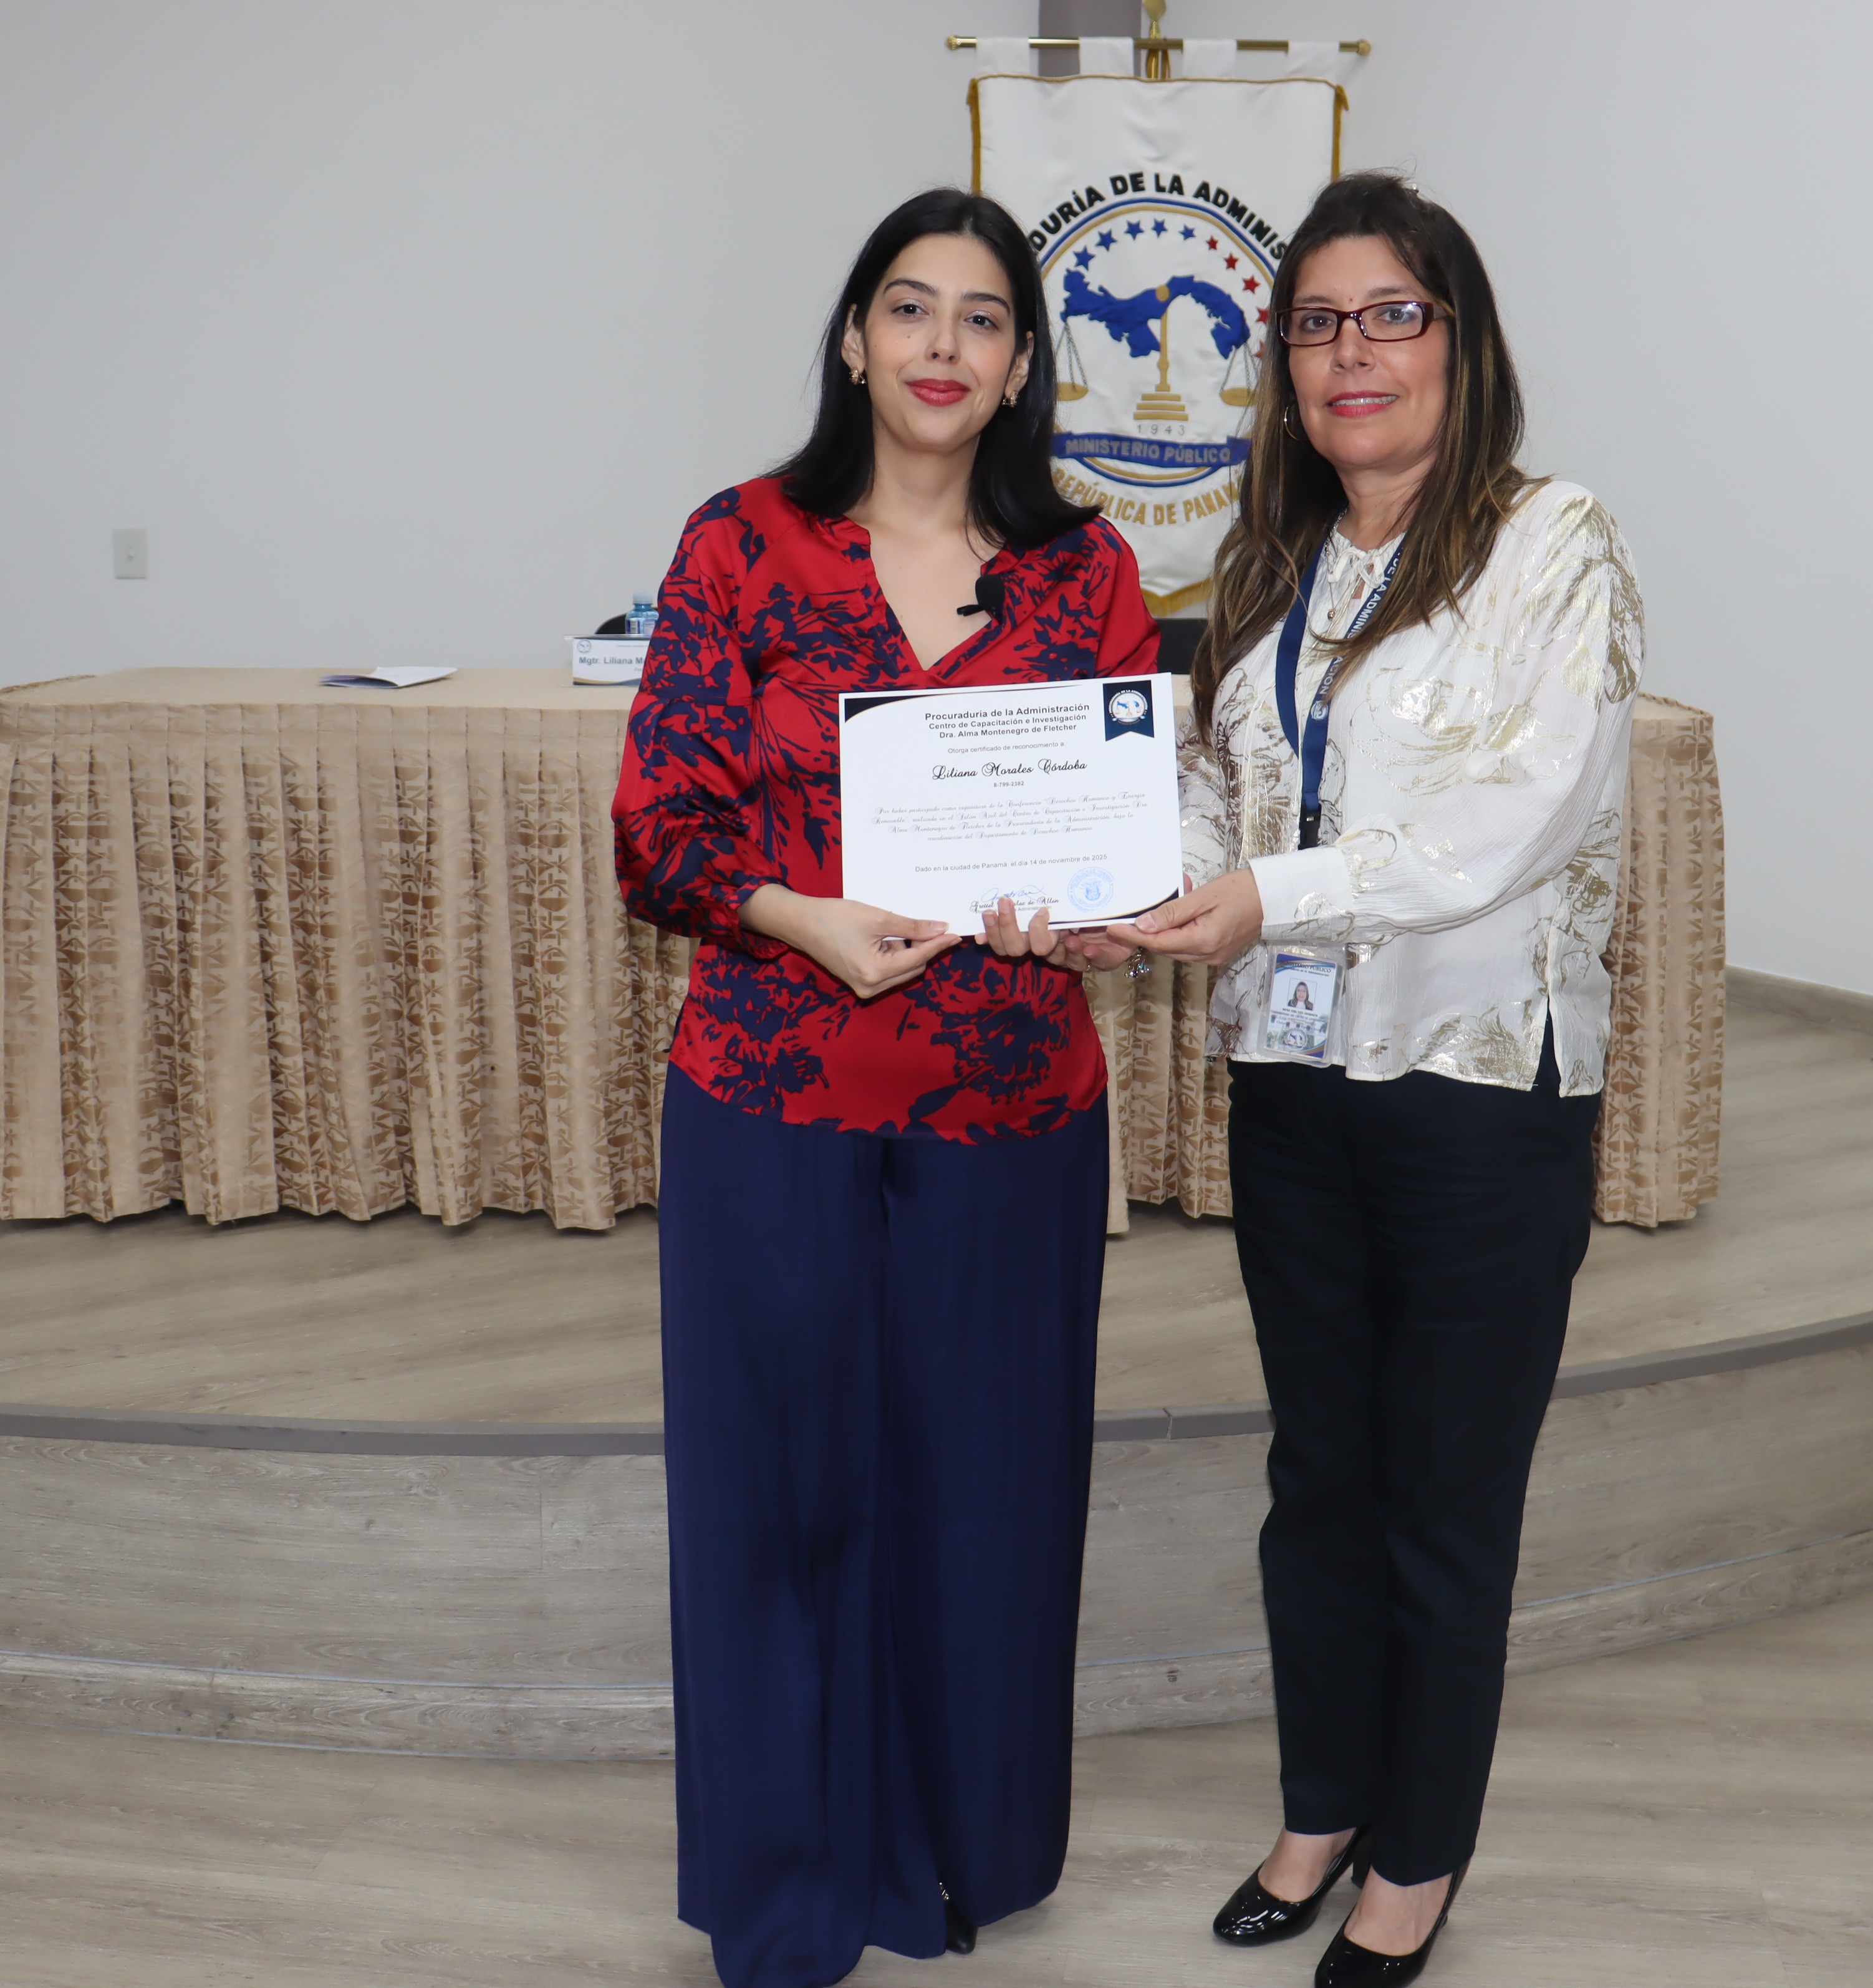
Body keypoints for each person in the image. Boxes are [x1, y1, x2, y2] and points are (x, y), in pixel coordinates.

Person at [612, 187, 1158, 1988]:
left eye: (982, 318)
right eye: (910, 307)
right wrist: (805, 919)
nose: (943, 344)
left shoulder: (1085, 571)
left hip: (1012, 1112)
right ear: (854, 338)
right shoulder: (739, 541)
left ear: (1020, 364)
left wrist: (1093, 916)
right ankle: (786, 1882)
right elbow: (660, 827)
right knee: (773, 1503)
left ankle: (949, 1855)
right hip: (772, 1093)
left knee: (983, 1502)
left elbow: (1118, 841)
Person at [1114, 171, 1643, 1986]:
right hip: (1293, 1083)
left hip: (1478, 1093)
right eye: (1318, 323)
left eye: (1391, 316)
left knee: (1442, 1499)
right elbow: (1216, 783)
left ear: (1459, 342)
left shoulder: (1549, 541)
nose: (1353, 353)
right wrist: (1147, 890)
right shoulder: (1270, 562)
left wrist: (1269, 895)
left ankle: (1416, 1858)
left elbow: (1518, 816)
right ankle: (1323, 1803)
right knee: (1320, 1477)